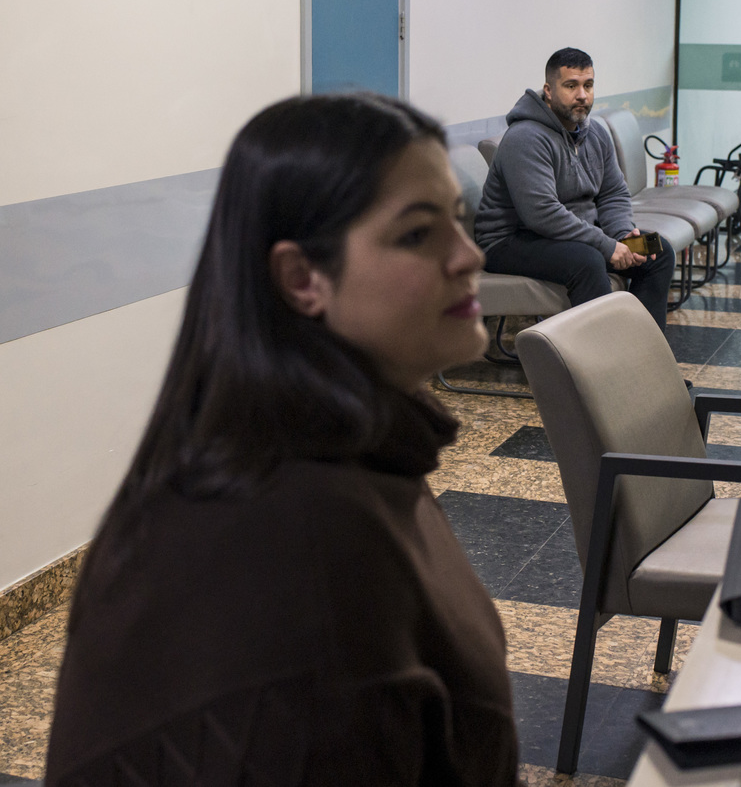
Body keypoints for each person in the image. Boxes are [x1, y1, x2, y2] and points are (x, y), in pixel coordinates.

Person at [44, 94, 522, 786]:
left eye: (456, 216)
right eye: (418, 234)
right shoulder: (306, 534)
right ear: (302, 279)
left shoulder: (359, 449)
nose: (468, 254)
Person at [473, 47, 676, 331]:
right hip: (510, 240)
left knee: (657, 250)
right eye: (571, 86)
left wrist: (621, 234)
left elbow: (613, 193)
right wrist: (607, 246)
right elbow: (542, 213)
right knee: (587, 261)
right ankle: (602, 355)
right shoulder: (525, 138)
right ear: (549, 91)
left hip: (569, 235)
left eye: (588, 85)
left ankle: (644, 350)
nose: (582, 95)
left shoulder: (595, 133)